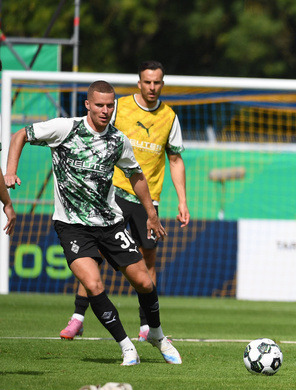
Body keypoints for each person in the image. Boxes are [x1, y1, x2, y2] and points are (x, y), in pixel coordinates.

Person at [4, 80, 182, 366]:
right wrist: (10, 172)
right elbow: (19, 136)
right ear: (87, 104)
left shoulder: (117, 140)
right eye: (99, 105)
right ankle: (126, 347)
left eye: (110, 105)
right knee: (93, 283)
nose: (105, 110)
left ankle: (157, 335)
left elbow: (136, 176)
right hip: (71, 225)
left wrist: (151, 213)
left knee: (144, 282)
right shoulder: (65, 128)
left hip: (110, 223)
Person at [59, 61, 189, 342]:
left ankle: (146, 326)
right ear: (139, 83)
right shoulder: (117, 107)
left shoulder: (170, 117)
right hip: (113, 194)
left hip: (148, 199)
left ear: (162, 84)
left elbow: (175, 159)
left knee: (147, 260)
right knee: (97, 256)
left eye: (157, 82)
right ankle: (78, 317)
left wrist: (182, 200)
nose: (152, 87)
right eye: (147, 82)